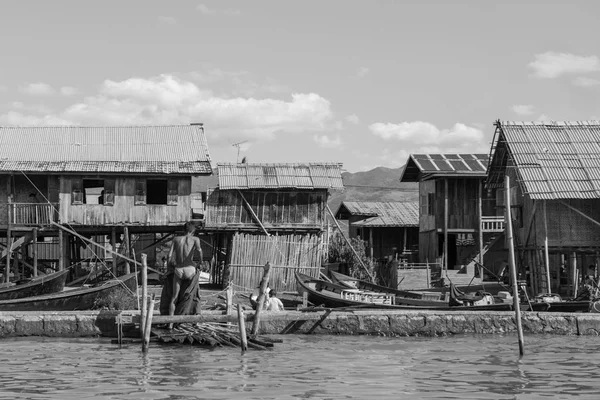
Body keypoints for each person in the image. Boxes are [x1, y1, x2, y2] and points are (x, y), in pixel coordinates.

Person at [166, 221, 203, 329]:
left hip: (179, 270)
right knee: (195, 295)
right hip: (190, 269)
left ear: (184, 229)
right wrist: (200, 263)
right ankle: (195, 321)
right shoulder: (195, 239)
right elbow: (200, 251)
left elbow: (168, 256)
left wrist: (170, 268)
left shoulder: (176, 239)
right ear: (193, 230)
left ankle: (170, 323)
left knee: (174, 297)